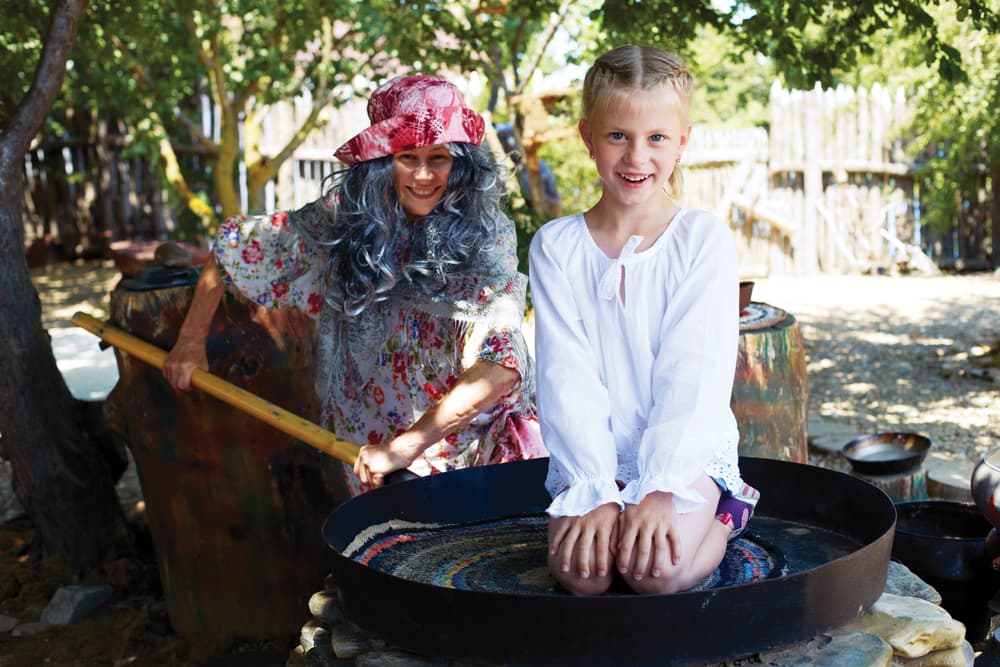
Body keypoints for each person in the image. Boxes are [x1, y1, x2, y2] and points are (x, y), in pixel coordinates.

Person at [164, 75, 545, 495]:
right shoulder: (345, 214)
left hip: (469, 456)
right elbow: (238, 246)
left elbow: (501, 366)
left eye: (439, 157)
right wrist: (189, 341)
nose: (423, 175)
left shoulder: (485, 235)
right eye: (407, 156)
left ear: (462, 164)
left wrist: (404, 448)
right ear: (383, 160)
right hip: (367, 446)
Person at [528, 45, 760, 597]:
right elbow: (566, 377)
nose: (637, 158)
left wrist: (659, 487)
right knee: (582, 578)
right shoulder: (557, 247)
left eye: (656, 138)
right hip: (596, 458)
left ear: (683, 141)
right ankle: (612, 504)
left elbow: (694, 375)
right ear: (587, 136)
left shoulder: (701, 240)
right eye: (618, 137)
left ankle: (727, 516)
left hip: (685, 455)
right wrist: (597, 489)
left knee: (654, 575)